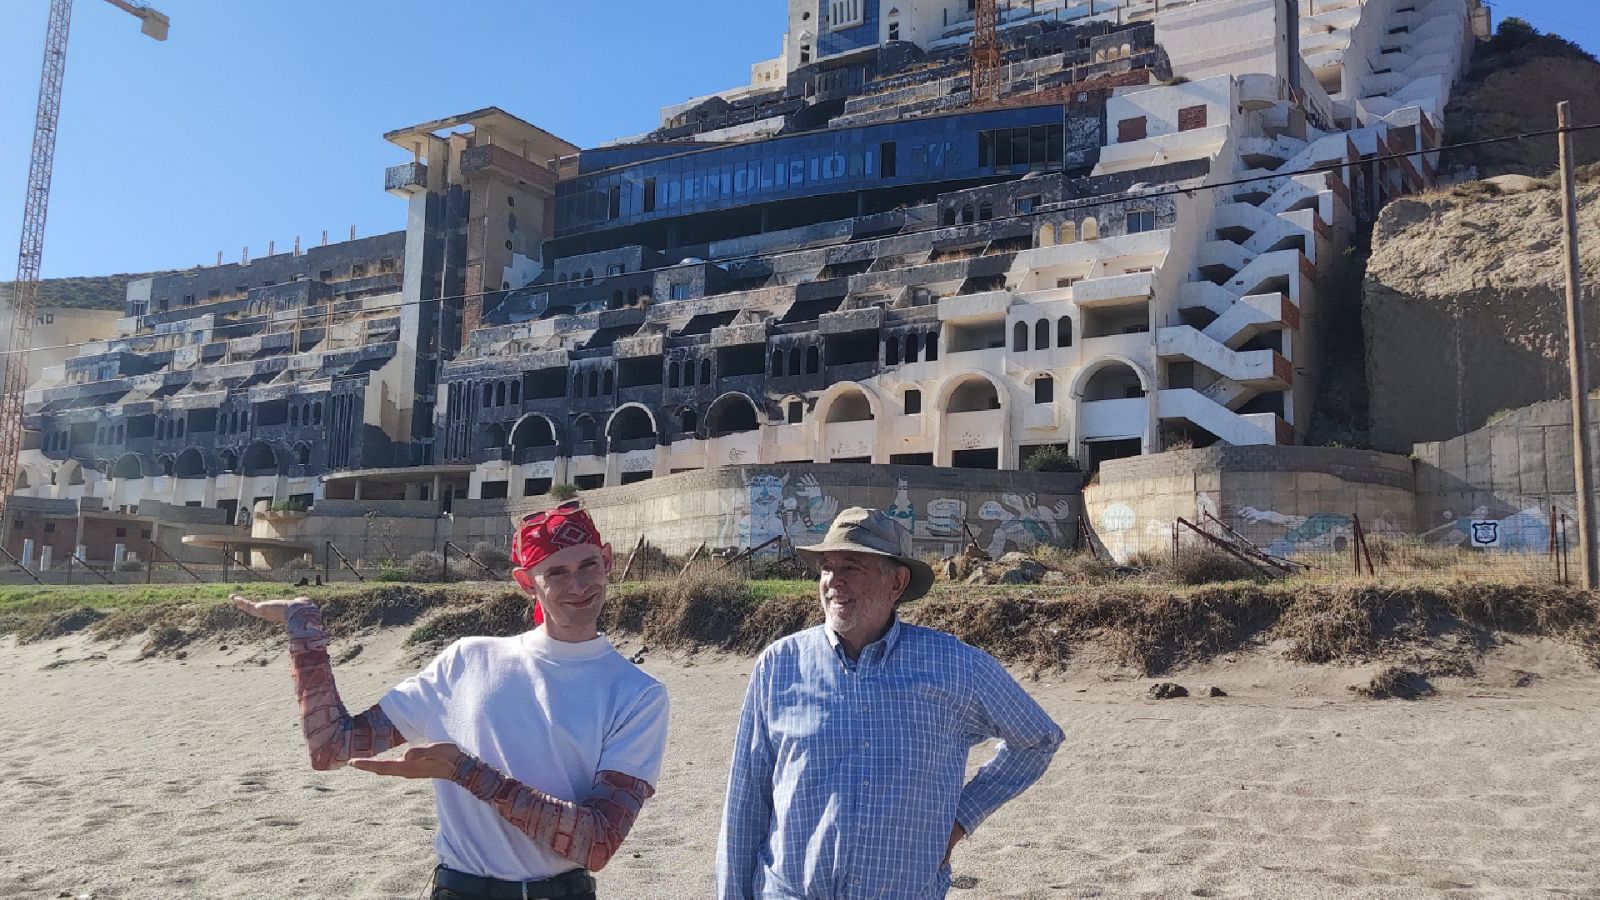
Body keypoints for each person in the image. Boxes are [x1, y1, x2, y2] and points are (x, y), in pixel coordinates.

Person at [234, 502, 669, 900]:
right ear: (525, 582)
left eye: (588, 564)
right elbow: (334, 747)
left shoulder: (637, 694)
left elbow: (596, 843)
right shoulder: (467, 660)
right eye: (555, 573)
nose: (578, 584)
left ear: (607, 561)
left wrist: (465, 773)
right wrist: (304, 632)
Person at [716, 507, 1064, 899]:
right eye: (827, 567)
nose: (834, 581)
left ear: (896, 582)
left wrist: (960, 820)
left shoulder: (953, 666)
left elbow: (1038, 739)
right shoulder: (779, 665)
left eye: (852, 566)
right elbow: (745, 799)